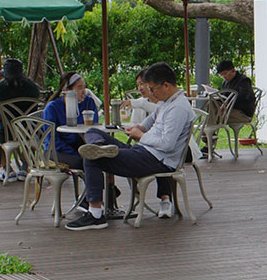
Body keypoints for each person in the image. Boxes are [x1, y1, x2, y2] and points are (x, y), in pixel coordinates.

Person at [65, 62, 195, 231]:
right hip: (143, 151)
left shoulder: (179, 108)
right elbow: (151, 120)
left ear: (166, 85)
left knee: (92, 158)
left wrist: (141, 136)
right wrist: (139, 128)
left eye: (152, 89)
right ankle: (99, 145)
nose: (151, 93)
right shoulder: (167, 102)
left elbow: (167, 145)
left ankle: (96, 215)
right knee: (93, 131)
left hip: (156, 159)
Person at [39, 71, 100, 202]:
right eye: (79, 87)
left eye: (84, 86)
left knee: (101, 158)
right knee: (88, 162)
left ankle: (99, 198)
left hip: (80, 145)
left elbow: (93, 128)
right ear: (66, 90)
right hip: (56, 151)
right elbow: (52, 140)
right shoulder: (53, 107)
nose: (84, 91)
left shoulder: (88, 103)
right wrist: (77, 153)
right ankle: (88, 200)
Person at [0, 57, 42, 181]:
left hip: (7, 133)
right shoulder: (32, 87)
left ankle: (6, 169)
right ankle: (25, 167)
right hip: (28, 132)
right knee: (29, 135)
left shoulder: (0, 88)